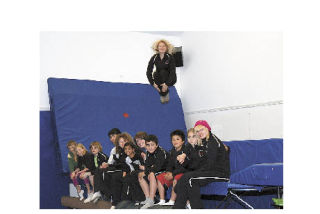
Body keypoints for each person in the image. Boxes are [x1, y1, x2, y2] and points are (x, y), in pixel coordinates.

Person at [173, 120, 231, 209]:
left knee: (190, 179)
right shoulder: (204, 142)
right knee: (185, 180)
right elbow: (196, 161)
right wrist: (184, 158)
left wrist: (194, 173)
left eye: (202, 129)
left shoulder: (212, 142)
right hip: (210, 171)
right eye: (197, 131)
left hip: (220, 173)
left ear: (208, 129)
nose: (200, 133)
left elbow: (210, 164)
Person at [155, 130, 197, 206]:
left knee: (176, 178)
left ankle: (172, 200)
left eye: (178, 139)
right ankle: (162, 199)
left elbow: (185, 167)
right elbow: (169, 164)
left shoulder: (186, 151)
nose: (175, 141)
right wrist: (168, 172)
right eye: (173, 140)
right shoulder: (172, 152)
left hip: (183, 173)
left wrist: (173, 174)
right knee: (159, 177)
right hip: (174, 173)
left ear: (183, 141)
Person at [103, 132, 134, 209]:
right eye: (120, 142)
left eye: (124, 141)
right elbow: (117, 163)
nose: (123, 143)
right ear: (118, 143)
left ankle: (120, 201)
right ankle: (114, 200)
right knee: (111, 174)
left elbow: (131, 165)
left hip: (131, 171)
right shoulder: (119, 151)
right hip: (121, 170)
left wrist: (125, 171)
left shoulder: (132, 150)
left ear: (128, 141)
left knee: (117, 176)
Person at [138, 135, 168, 209]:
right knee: (140, 175)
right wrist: (147, 171)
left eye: (152, 145)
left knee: (151, 174)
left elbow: (158, 167)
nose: (150, 147)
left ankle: (151, 200)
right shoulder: (148, 153)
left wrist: (149, 171)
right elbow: (147, 166)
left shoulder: (161, 152)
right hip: (157, 171)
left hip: (166, 171)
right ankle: (148, 198)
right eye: (148, 145)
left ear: (156, 145)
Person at [146, 39, 177, 104]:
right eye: (160, 46)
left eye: (164, 46)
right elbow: (149, 71)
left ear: (166, 48)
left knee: (163, 71)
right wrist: (152, 83)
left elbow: (172, 71)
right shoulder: (154, 57)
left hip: (170, 78)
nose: (162, 48)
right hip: (160, 77)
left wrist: (166, 84)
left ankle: (165, 91)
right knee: (155, 74)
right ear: (157, 48)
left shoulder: (170, 57)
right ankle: (163, 93)